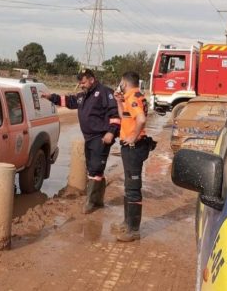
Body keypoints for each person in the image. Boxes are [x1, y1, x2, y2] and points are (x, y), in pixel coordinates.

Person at [42, 69, 121, 214]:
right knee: (95, 168)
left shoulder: (105, 92)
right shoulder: (84, 95)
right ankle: (98, 201)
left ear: (92, 80)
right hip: (89, 138)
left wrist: (111, 132)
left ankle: (90, 202)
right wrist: (51, 97)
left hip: (101, 137)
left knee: (95, 168)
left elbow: (114, 114)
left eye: (83, 82)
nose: (81, 85)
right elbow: (70, 101)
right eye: (80, 83)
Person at [113, 71, 151, 242]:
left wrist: (133, 137)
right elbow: (124, 116)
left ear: (125, 83)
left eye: (121, 82)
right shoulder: (129, 97)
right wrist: (118, 102)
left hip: (134, 147)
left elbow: (141, 119)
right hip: (129, 147)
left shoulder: (134, 97)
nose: (119, 85)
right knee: (129, 186)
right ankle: (126, 223)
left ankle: (133, 230)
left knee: (133, 188)